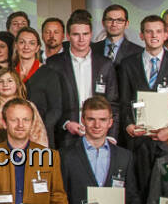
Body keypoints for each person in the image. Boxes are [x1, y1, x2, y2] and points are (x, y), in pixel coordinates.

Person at [116, 15, 168, 204]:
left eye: (159, 31)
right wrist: (128, 125)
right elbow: (123, 102)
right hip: (138, 141)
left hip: (167, 142)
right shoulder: (128, 64)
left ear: (166, 34)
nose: (154, 36)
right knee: (140, 193)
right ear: (141, 35)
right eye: (149, 31)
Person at [30, 11, 116, 152]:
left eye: (85, 34)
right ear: (68, 36)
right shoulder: (53, 64)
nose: (81, 39)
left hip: (100, 135)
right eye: (76, 35)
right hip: (65, 135)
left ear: (91, 35)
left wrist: (111, 136)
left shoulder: (105, 64)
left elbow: (113, 102)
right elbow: (50, 103)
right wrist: (66, 123)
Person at [0, 67, 49, 150]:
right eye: (1, 81)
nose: (5, 84)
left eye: (10, 81)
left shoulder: (28, 107)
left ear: (17, 84)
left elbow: (39, 136)